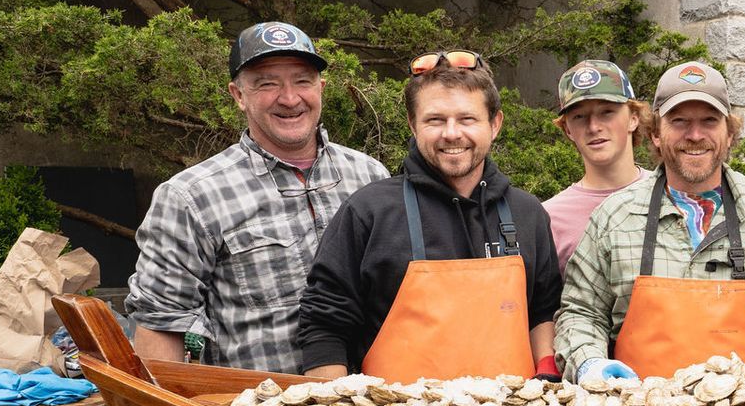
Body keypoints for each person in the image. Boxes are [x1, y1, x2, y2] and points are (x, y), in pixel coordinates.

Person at [556, 61, 745, 384]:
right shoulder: (613, 218)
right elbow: (580, 313)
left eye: (709, 121)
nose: (695, 135)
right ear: (656, 134)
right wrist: (589, 362)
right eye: (680, 121)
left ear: (729, 133)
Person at [126, 21, 386, 371]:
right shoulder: (191, 197)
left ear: (321, 88)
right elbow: (161, 323)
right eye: (267, 83)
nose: (290, 98)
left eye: (302, 81)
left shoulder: (369, 176)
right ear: (238, 96)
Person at [296, 50, 561, 382]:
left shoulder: (529, 214)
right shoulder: (369, 211)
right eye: (435, 120)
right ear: (412, 124)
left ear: (495, 124)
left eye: (467, 119)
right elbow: (324, 325)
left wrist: (547, 377)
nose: (451, 133)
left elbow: (543, 312)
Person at [543, 60, 652, 268]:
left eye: (607, 112)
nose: (593, 127)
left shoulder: (670, 197)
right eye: (579, 116)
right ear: (567, 130)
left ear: (633, 118)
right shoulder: (549, 219)